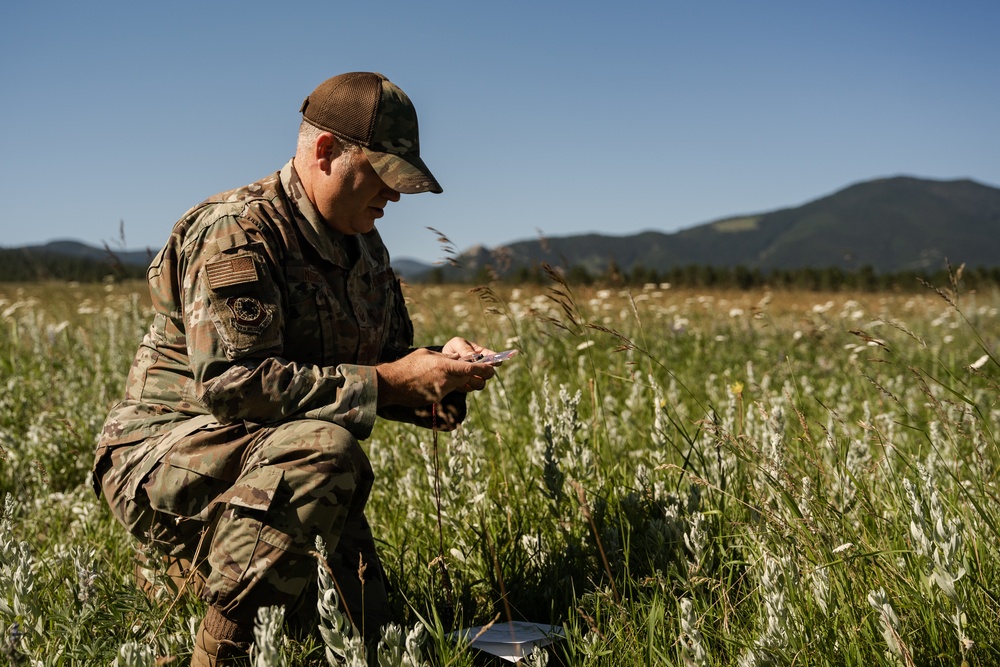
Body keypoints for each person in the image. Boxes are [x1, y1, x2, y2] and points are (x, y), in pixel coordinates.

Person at [92, 71, 498, 665]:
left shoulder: (364, 246)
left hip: (273, 455)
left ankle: (195, 571)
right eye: (383, 176)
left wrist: (441, 369)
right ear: (327, 150)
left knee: (368, 641)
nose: (396, 196)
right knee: (325, 452)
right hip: (170, 452)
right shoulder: (236, 232)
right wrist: (392, 381)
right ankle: (217, 652)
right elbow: (233, 386)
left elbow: (385, 366)